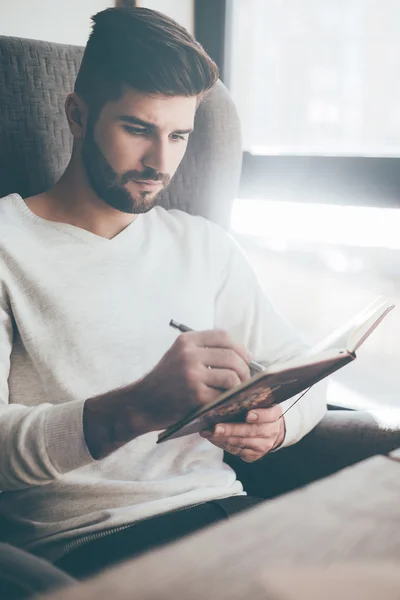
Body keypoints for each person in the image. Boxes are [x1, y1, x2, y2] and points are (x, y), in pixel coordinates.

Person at [0, 6, 326, 582]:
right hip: (91, 547)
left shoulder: (204, 245)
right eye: (137, 129)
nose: (160, 162)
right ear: (78, 115)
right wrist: (134, 408)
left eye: (179, 135)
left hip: (230, 516)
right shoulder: (8, 245)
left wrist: (275, 426)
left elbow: (304, 374)